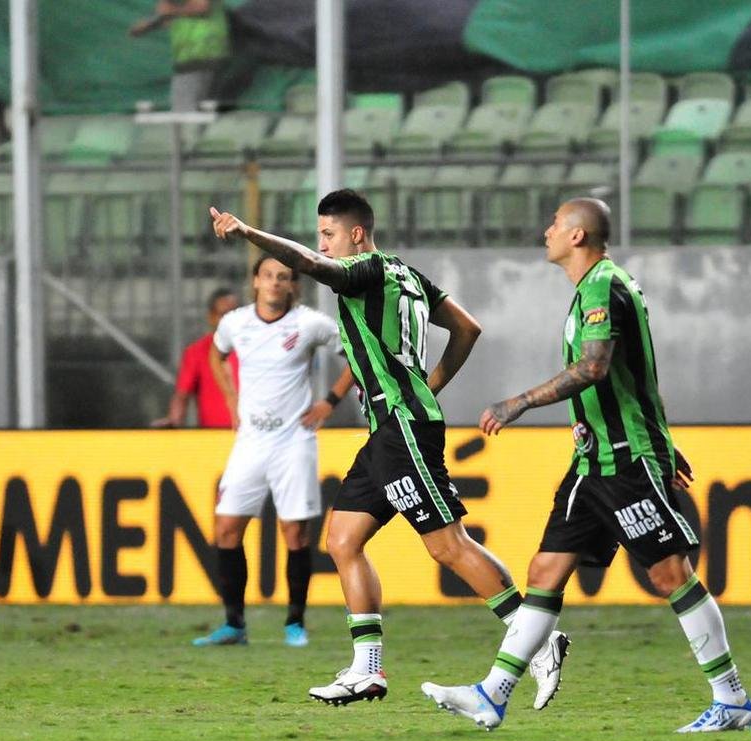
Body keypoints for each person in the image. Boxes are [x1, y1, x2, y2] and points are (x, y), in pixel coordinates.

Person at [420, 198, 751, 733]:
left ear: (577, 236)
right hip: (590, 461)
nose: (546, 230)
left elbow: (597, 366)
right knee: (545, 571)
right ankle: (494, 693)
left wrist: (520, 401)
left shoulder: (603, 284)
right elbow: (635, 373)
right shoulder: (591, 290)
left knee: (670, 573)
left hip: (623, 460)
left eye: (555, 223)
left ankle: (731, 698)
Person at [210, 190, 537, 706]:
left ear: (356, 235)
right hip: (390, 426)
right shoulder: (405, 273)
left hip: (403, 426)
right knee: (342, 539)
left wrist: (248, 233)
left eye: (329, 234)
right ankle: (368, 670)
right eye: (321, 235)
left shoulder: (364, 270)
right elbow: (467, 329)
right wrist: (429, 385)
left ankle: (534, 639)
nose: (324, 245)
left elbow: (309, 264)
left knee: (446, 545)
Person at [192, 256, 356, 648]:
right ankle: (234, 624)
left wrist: (329, 402)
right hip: (251, 440)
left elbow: (354, 355)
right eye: (268, 276)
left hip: (294, 440)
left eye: (283, 277)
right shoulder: (235, 323)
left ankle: (294, 622)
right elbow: (216, 355)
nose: (274, 283)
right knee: (226, 529)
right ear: (255, 282)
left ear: (292, 285)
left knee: (295, 532)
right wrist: (231, 400)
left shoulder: (309, 324)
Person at [153, 287, 240, 429]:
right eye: (223, 315)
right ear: (211, 317)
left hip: (253, 436)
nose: (230, 321)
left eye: (234, 314)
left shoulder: (254, 348)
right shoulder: (197, 352)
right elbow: (182, 395)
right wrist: (173, 420)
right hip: (213, 437)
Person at [129, 0, 231, 112]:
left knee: (185, 116)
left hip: (204, 53)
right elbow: (164, 15)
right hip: (189, 58)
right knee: (194, 114)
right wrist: (147, 25)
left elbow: (202, 6)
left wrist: (170, 9)